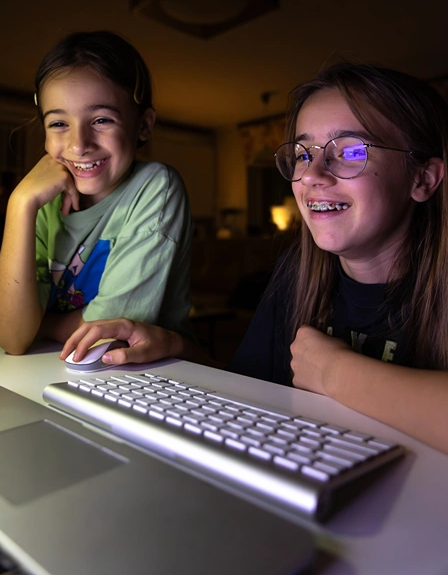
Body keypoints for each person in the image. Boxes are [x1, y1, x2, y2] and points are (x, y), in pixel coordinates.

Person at [67, 62, 448, 455]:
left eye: (350, 150)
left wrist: (337, 372)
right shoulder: (297, 276)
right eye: (302, 154)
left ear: (423, 178)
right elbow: (251, 389)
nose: (312, 174)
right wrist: (177, 348)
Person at [0, 31, 193, 356]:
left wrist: (40, 325)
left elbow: (109, 331)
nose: (79, 145)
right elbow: (12, 338)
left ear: (143, 125)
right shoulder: (43, 202)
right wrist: (20, 203)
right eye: (58, 124)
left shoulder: (156, 187)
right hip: (59, 372)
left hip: (148, 380)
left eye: (101, 119)